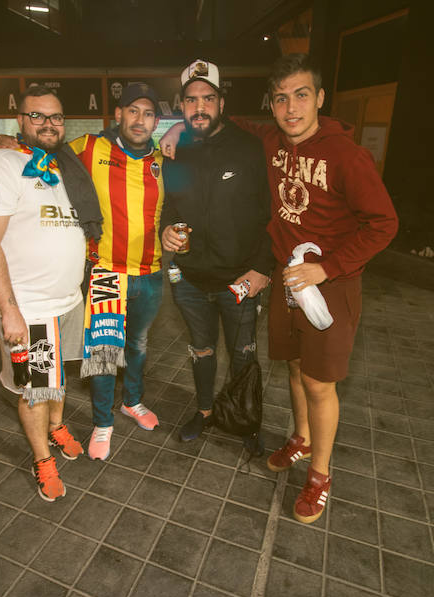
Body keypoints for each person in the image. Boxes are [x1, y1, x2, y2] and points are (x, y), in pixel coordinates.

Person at [165, 54, 399, 522]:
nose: (291, 108)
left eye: (302, 95)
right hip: (288, 282)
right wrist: (173, 128)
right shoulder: (271, 138)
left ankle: (320, 476)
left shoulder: (347, 155)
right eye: (281, 98)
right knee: (294, 369)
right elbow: (225, 122)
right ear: (271, 105)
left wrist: (327, 268)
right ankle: (300, 439)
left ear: (320, 99)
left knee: (318, 381)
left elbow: (384, 224)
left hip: (329, 284)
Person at [0, 83, 166, 461]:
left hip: (151, 273)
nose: (140, 119)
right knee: (104, 351)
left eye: (148, 113)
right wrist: (8, 139)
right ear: (118, 115)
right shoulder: (88, 147)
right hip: (106, 272)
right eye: (132, 111)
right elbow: (41, 150)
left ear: (156, 121)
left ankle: (132, 402)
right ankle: (102, 422)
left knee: (137, 345)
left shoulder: (166, 159)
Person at [0, 85, 88, 502]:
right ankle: (42, 460)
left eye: (55, 117)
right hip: (29, 308)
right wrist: (10, 311)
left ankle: (56, 428)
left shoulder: (58, 166)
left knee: (55, 379)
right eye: (37, 116)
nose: (48, 123)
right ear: (20, 121)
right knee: (35, 391)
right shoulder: (1, 164)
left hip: (66, 301)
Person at [160, 59, 273, 444]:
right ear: (181, 105)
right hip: (189, 281)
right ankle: (205, 412)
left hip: (239, 279)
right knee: (202, 350)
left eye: (208, 98)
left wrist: (262, 267)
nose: (200, 107)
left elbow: (271, 214)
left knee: (243, 354)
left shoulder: (249, 147)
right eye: (191, 101)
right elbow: (171, 207)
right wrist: (165, 231)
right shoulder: (177, 151)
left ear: (221, 102)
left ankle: (245, 422)